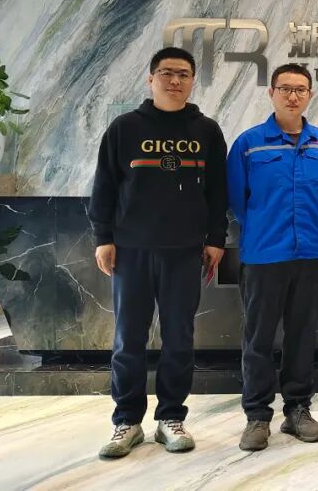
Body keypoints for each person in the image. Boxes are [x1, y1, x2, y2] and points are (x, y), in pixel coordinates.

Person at [88, 47, 228, 459]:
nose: (175, 80)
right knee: (128, 338)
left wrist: (215, 238)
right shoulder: (125, 128)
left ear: (193, 81)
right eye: (167, 73)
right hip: (131, 250)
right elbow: (104, 186)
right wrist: (103, 237)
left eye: (183, 74)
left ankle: (171, 417)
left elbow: (218, 192)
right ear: (150, 79)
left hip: (185, 251)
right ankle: (127, 421)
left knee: (179, 338)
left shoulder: (207, 131)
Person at [227, 64, 318, 451]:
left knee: (302, 335)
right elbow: (237, 199)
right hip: (263, 255)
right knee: (258, 338)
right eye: (285, 88)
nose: (293, 96)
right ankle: (257, 416)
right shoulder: (249, 143)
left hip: (309, 254)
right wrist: (264, 228)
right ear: (271, 92)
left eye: (300, 89)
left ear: (310, 95)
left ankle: (298, 410)